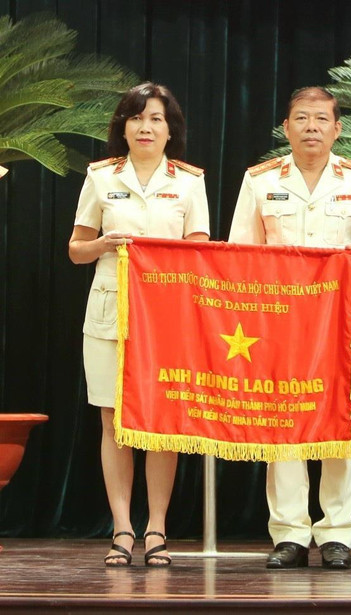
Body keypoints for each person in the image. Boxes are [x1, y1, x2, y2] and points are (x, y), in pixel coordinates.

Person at [228, 86, 351, 570]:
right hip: (279, 325)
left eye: (322, 118)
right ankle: (291, 533)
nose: (312, 127)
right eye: (302, 118)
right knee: (284, 427)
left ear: (338, 129)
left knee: (345, 426)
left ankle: (338, 532)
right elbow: (241, 253)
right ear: (286, 127)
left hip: (344, 323)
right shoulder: (260, 181)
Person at [68, 82, 210, 567]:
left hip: (168, 317)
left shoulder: (189, 181)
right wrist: (105, 243)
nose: (146, 127)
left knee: (162, 423)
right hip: (110, 312)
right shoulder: (101, 176)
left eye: (156, 119)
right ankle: (122, 528)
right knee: (113, 421)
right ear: (123, 128)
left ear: (171, 130)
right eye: (136, 118)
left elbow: (201, 253)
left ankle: (157, 529)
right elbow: (75, 250)